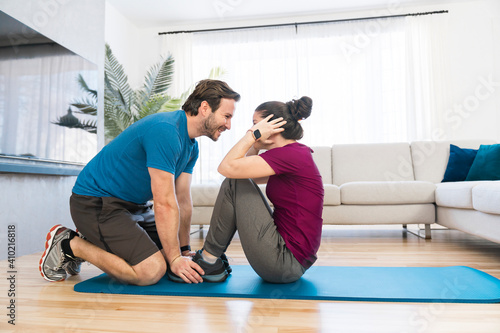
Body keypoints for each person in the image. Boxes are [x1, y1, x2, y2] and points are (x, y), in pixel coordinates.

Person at [39, 79, 240, 285]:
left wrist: (182, 251)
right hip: (96, 203)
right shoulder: (166, 131)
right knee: (151, 270)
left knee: (168, 258)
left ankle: (93, 241)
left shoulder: (191, 147)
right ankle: (69, 244)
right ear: (205, 108)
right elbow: (164, 202)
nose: (229, 125)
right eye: (226, 116)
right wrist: (174, 259)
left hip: (135, 208)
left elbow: (182, 201)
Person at [168, 96, 324, 284]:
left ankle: (208, 260)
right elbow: (248, 176)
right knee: (237, 180)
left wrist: (251, 136)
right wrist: (255, 144)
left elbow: (227, 168)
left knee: (233, 181)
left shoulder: (291, 155)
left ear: (271, 126)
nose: (252, 129)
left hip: (284, 262)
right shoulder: (292, 154)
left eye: (256, 125)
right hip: (289, 261)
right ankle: (211, 258)